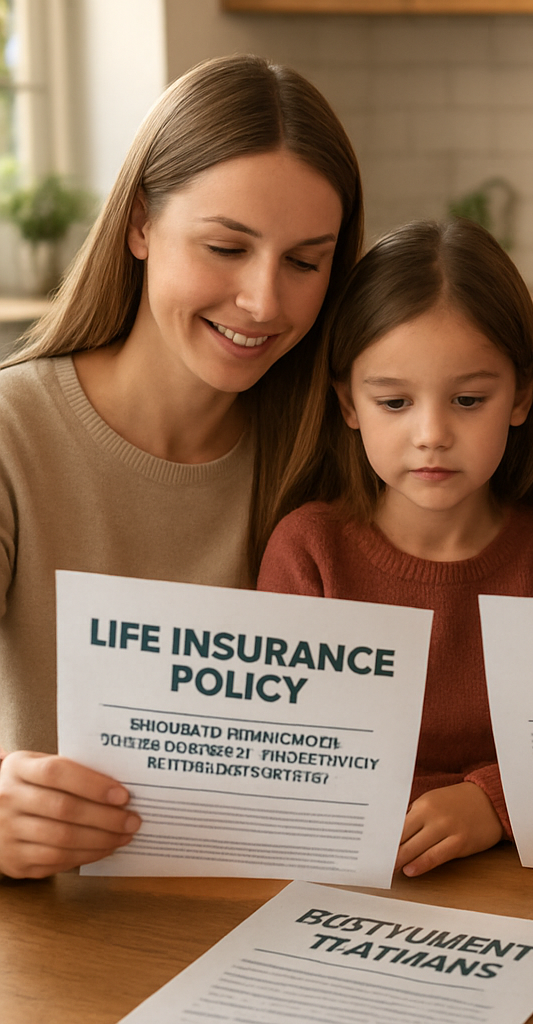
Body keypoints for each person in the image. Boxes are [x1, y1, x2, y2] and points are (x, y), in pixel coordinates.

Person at [0, 54, 364, 879]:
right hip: (62, 940)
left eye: (305, 262)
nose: (265, 301)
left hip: (271, 919)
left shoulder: (333, 450)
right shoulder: (13, 434)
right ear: (139, 225)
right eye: (227, 247)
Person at [258, 218, 533, 877]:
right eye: (393, 402)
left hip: (521, 880)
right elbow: (286, 752)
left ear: (520, 396)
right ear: (349, 404)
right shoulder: (308, 551)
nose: (432, 434)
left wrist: (490, 804)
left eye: (469, 399)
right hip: (344, 879)